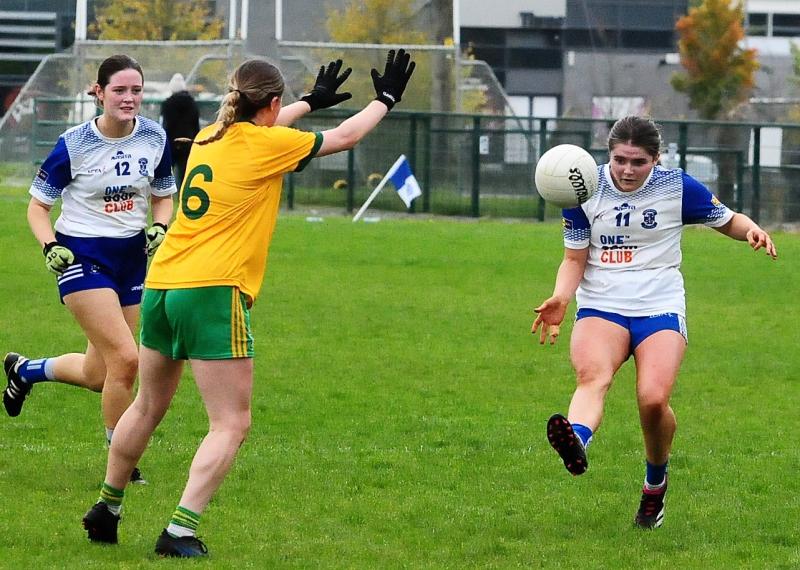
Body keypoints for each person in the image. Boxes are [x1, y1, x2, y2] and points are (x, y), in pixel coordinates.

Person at [81, 50, 415, 557]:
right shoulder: (264, 144)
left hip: (164, 283)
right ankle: (179, 532)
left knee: (148, 406)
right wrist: (385, 99)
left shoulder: (212, 137)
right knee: (231, 422)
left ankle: (108, 506)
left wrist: (306, 103)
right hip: (213, 290)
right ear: (272, 102)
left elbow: (264, 125)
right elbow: (346, 136)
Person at [531, 116, 777, 529]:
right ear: (608, 155)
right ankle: (577, 441)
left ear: (656, 159)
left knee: (652, 400)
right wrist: (561, 297)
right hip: (602, 304)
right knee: (593, 378)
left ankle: (655, 485)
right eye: (620, 160)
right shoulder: (583, 187)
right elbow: (575, 258)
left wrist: (752, 230)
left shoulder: (676, 187)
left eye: (638, 162)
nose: (627, 170)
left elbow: (726, 218)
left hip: (659, 305)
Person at [3, 54, 176, 484]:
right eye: (119, 90)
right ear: (98, 93)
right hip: (82, 257)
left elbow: (163, 194)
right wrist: (50, 247)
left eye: (136, 90)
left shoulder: (155, 137)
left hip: (132, 258)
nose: (129, 98)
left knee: (100, 374)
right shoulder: (74, 143)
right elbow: (38, 207)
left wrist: (160, 225)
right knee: (126, 359)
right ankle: (122, 459)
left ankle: (25, 370)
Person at [160, 73, 200, 189]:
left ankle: (164, 192)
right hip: (188, 141)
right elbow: (195, 125)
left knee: (166, 171)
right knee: (185, 172)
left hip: (171, 142)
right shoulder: (193, 104)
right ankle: (184, 192)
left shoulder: (167, 104)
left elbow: (166, 125)